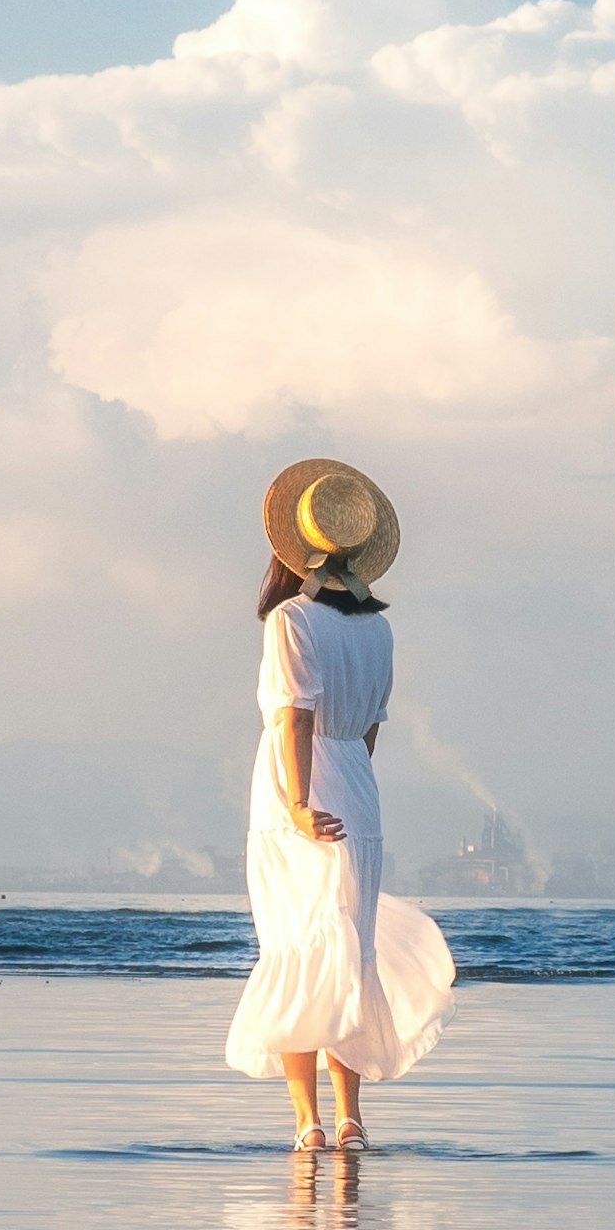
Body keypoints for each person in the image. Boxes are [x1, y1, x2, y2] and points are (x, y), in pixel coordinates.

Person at [222, 455, 456, 1148]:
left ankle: (310, 1123)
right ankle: (351, 1116)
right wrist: (342, 784)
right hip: (357, 782)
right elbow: (370, 726)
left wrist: (297, 804)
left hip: (298, 787)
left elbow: (294, 716)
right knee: (348, 949)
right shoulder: (377, 628)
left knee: (296, 945)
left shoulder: (292, 619)